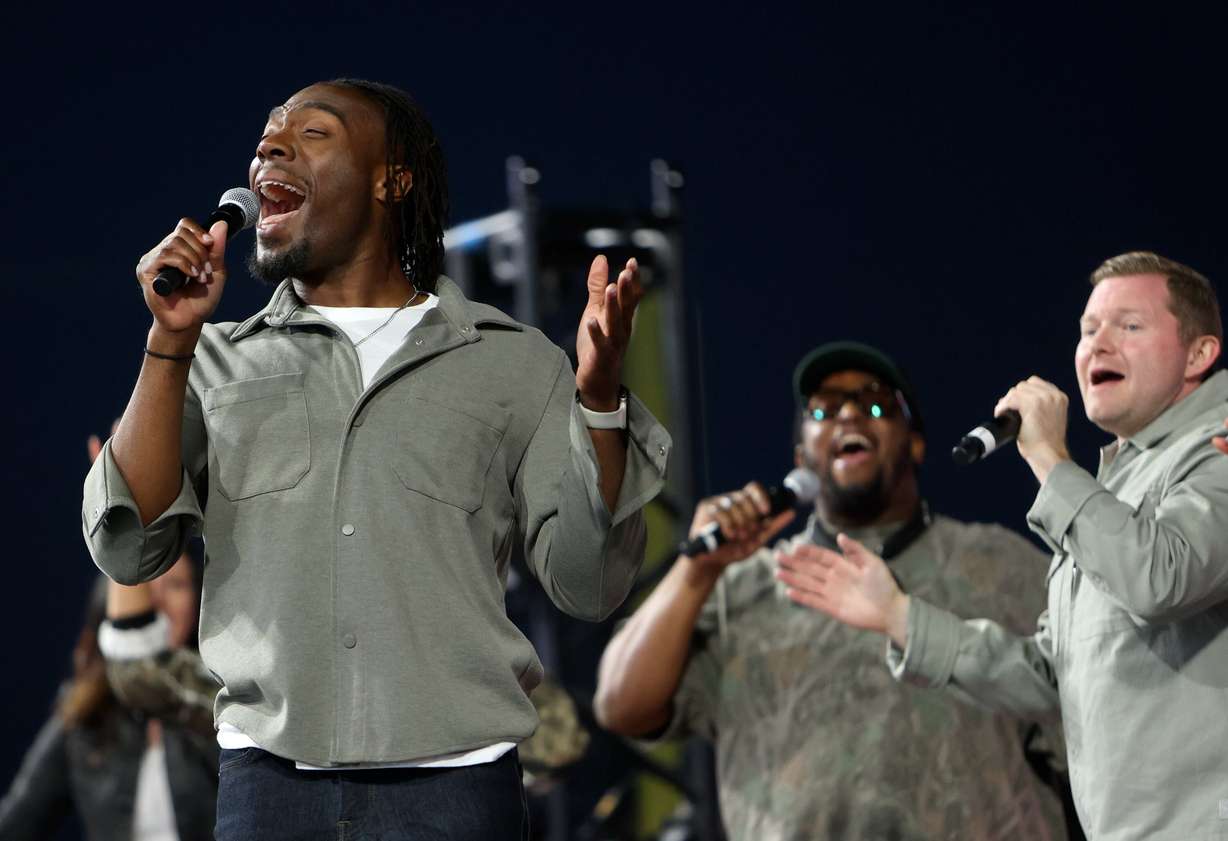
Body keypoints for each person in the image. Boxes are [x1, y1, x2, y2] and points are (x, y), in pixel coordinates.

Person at [82, 78, 669, 839]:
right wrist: (169, 339)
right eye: (266, 135)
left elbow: (590, 583)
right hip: (269, 798)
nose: (270, 146)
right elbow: (129, 547)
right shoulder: (214, 361)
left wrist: (597, 399)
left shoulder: (514, 363)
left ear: (394, 178)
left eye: (313, 133)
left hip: (458, 799)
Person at [782, 252, 1228, 840]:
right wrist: (900, 617)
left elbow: (1162, 577)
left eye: (1130, 326)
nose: (1098, 345)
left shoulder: (1212, 452)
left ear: (1199, 354)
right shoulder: (1114, 489)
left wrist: (1049, 460)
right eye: (1088, 330)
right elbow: (1054, 671)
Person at [595, 341, 1071, 840]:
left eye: (876, 404)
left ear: (915, 443)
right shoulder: (743, 587)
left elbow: (1097, 712)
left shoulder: (1002, 567)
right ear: (801, 456)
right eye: (823, 409)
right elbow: (620, 706)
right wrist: (695, 574)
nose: (849, 415)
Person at [0, 549, 216, 841]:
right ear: (115, 604)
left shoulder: (223, 700)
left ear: (198, 601)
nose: (158, 601)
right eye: (146, 584)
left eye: (176, 586)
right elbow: (18, 820)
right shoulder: (84, 713)